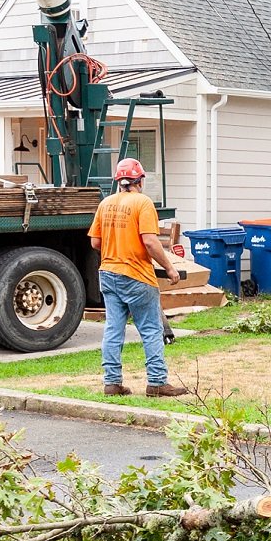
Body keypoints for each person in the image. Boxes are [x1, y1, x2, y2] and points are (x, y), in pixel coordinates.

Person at [89, 157, 189, 397]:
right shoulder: (142, 203)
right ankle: (156, 382)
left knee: (113, 329)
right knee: (151, 329)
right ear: (139, 180)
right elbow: (150, 242)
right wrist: (171, 268)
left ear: (118, 181)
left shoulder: (106, 203)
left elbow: (95, 242)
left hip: (108, 274)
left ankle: (112, 383)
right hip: (137, 276)